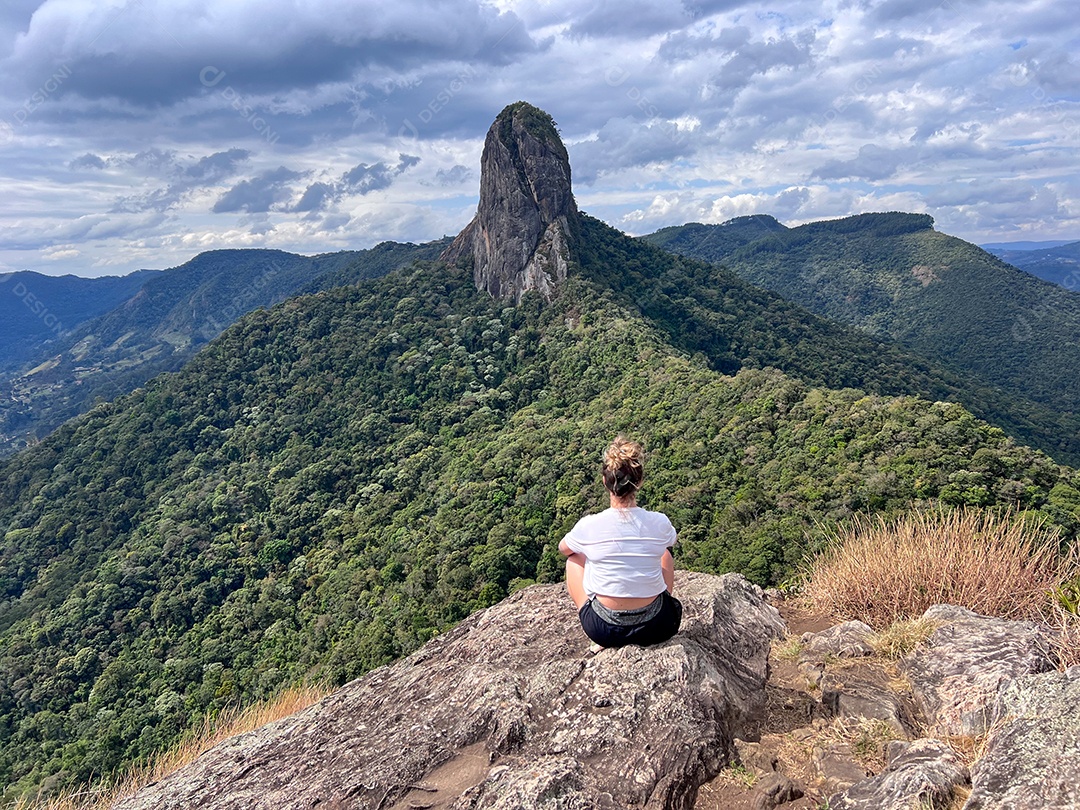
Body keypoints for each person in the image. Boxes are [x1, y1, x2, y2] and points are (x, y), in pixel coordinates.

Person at [558, 436, 683, 648]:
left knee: (574, 558)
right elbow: (671, 541)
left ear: (605, 482)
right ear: (640, 481)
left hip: (604, 630)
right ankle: (660, 599)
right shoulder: (659, 521)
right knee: (665, 552)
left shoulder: (589, 525)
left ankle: (585, 608)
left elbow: (564, 548)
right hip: (658, 625)